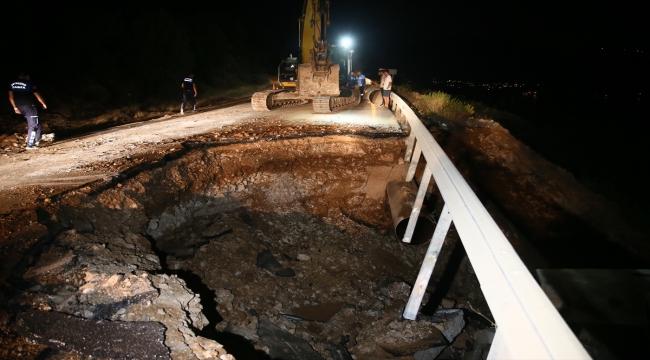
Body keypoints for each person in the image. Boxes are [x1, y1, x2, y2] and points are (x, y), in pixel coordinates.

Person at [8, 73, 47, 149]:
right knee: (33, 125)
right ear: (25, 76)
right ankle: (30, 144)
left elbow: (10, 97)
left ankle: (38, 139)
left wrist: (15, 107)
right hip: (29, 106)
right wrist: (43, 103)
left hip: (20, 106)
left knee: (37, 122)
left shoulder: (12, 84)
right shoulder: (29, 84)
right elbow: (38, 96)